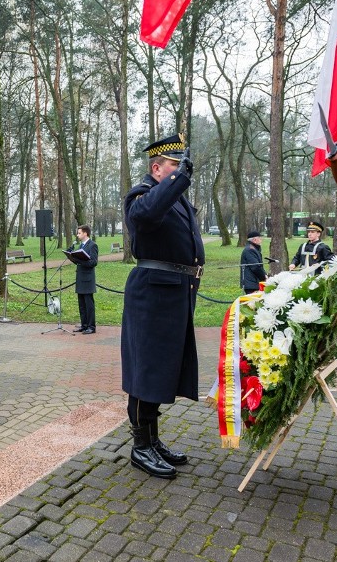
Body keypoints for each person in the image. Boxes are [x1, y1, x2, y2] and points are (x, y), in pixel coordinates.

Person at [121, 134, 203, 479]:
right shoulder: (140, 196)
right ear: (157, 169)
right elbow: (148, 212)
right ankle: (140, 447)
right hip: (152, 296)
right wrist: (179, 177)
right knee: (147, 372)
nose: (180, 173)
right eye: (173, 166)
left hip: (174, 293)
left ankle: (153, 440)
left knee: (162, 371)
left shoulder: (175, 199)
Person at [70, 225, 98, 334]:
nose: (77, 235)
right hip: (80, 277)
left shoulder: (92, 245)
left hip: (88, 278)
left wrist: (80, 261)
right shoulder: (81, 245)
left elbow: (94, 262)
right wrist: (71, 256)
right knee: (81, 304)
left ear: (85, 233)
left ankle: (91, 326)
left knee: (88, 304)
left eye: (79, 233)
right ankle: (84, 324)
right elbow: (78, 260)